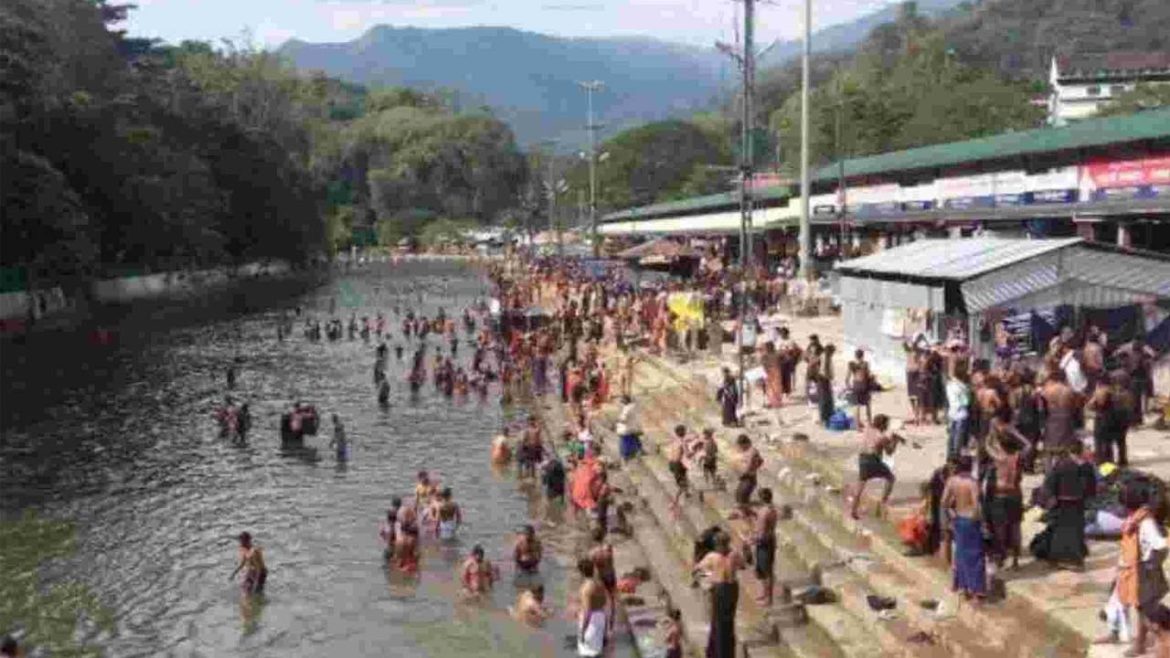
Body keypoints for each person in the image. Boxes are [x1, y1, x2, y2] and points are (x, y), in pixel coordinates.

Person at [1033, 443, 1096, 569]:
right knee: (1075, 533)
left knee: (1059, 533)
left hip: (1061, 504)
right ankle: (1072, 560)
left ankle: (1058, 559)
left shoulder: (1061, 465)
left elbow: (1050, 483)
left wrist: (1050, 499)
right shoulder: (1087, 467)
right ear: (1080, 452)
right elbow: (1090, 488)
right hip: (1076, 504)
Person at [985, 415, 1031, 570]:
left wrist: (994, 428)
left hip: (1000, 495)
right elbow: (1028, 445)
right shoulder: (1017, 458)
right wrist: (1012, 431)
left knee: (1000, 529)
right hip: (1015, 494)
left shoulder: (999, 458)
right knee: (1015, 526)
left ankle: (1000, 557)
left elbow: (988, 443)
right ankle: (1016, 560)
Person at [692, 531, 744, 658]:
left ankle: (722, 654)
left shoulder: (713, 556)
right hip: (731, 588)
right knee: (726, 623)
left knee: (722, 623)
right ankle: (726, 654)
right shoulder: (733, 554)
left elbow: (696, 571)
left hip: (722, 589)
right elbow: (743, 565)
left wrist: (709, 577)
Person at [942, 456, 986, 600]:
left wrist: (952, 516)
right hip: (971, 521)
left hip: (959, 519)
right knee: (975, 555)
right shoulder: (973, 483)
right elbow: (976, 505)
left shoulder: (952, 481)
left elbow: (945, 503)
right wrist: (980, 522)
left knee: (961, 553)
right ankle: (977, 589)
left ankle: (962, 586)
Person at [849, 414, 899, 520]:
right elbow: (889, 452)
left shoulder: (868, 430)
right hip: (873, 460)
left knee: (860, 485)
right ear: (882, 425)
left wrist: (890, 439)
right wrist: (895, 441)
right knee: (890, 478)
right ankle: (883, 501)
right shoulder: (882, 437)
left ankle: (853, 511)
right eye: (886, 424)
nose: (887, 426)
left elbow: (876, 442)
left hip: (862, 459)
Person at [577, 558, 608, 658]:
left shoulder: (586, 588)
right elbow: (604, 604)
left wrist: (582, 632)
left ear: (581, 572)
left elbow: (587, 611)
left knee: (587, 653)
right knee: (598, 653)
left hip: (591, 623)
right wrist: (605, 629)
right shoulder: (600, 584)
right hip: (601, 618)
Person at [754, 488, 779, 606]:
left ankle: (769, 599)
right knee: (761, 571)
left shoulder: (767, 511)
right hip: (763, 542)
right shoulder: (767, 510)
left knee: (767, 571)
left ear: (761, 498)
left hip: (765, 543)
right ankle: (765, 594)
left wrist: (754, 540)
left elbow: (764, 530)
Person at [590, 527, 617, 630]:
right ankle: (611, 625)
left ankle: (603, 626)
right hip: (610, 575)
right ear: (603, 536)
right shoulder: (608, 548)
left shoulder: (593, 553)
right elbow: (612, 561)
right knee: (612, 601)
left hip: (600, 577)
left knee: (601, 603)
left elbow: (592, 569)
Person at [945, 363, 972, 461]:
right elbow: (966, 402)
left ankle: (949, 455)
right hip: (961, 413)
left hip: (952, 412)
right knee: (959, 437)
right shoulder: (962, 387)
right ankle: (956, 456)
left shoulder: (950, 385)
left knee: (951, 436)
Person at [733, 434, 763, 519]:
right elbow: (760, 461)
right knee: (739, 496)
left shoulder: (752, 452)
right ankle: (748, 515)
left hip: (749, 478)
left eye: (740, 445)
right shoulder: (749, 451)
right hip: (746, 477)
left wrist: (750, 471)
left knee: (742, 498)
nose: (740, 448)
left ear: (745, 443)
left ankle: (749, 516)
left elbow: (751, 465)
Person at [846, 349, 874, 428]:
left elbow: (847, 379)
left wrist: (849, 387)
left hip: (856, 385)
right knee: (868, 405)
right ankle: (870, 423)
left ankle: (857, 426)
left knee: (856, 406)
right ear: (863, 356)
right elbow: (868, 376)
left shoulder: (851, 364)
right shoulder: (865, 364)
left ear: (855, 356)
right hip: (864, 385)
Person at [667, 425, 691, 507]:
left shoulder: (674, 440)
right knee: (681, 484)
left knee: (684, 476)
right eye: (684, 430)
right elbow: (688, 455)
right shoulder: (683, 443)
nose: (686, 432)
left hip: (671, 463)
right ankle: (674, 501)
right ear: (683, 432)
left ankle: (687, 492)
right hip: (678, 465)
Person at [616, 395, 643, 461]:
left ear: (625, 401)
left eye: (622, 401)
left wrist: (618, 420)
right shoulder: (633, 406)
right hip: (634, 427)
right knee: (635, 440)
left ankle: (626, 455)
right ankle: (639, 450)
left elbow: (623, 419)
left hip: (627, 429)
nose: (621, 403)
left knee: (625, 443)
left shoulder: (627, 409)